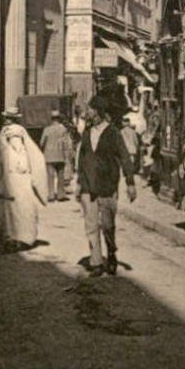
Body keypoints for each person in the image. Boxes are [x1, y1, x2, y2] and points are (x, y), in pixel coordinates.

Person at [76, 94, 137, 277]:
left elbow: (125, 158)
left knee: (107, 226)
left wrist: (130, 183)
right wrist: (80, 183)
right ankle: (96, 263)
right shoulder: (87, 132)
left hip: (107, 185)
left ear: (99, 112)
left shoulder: (113, 133)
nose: (88, 112)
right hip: (88, 185)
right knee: (91, 225)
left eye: (91, 109)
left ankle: (111, 252)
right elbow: (82, 157)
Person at [0, 107, 47, 253]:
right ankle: (19, 239)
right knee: (19, 211)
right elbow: (31, 158)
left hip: (12, 180)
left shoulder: (7, 134)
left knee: (12, 212)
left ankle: (12, 239)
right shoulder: (18, 134)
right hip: (17, 181)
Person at [40, 108, 75, 202]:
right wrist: (68, 155)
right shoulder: (63, 129)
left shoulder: (46, 129)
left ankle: (51, 195)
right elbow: (66, 143)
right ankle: (60, 195)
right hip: (60, 155)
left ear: (51, 119)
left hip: (49, 156)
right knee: (61, 176)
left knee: (50, 177)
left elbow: (42, 143)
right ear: (59, 118)